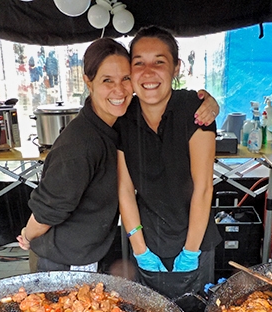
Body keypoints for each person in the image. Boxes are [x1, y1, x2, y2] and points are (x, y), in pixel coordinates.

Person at [18, 38, 219, 273]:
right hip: (65, 261)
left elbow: (202, 186)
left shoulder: (119, 120)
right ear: (88, 82)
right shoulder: (79, 145)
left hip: (96, 252)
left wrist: (212, 104)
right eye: (107, 80)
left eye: (125, 78)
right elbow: (47, 210)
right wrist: (26, 236)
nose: (119, 90)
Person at [116, 26, 221, 298]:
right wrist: (140, 249)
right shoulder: (123, 118)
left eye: (159, 62)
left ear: (176, 68)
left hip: (195, 241)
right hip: (147, 242)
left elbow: (203, 189)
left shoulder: (194, 110)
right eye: (139, 63)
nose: (148, 72)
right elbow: (125, 190)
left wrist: (190, 251)